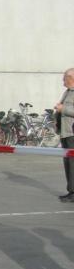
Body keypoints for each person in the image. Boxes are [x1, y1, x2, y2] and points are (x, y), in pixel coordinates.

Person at [55, 68, 74, 202]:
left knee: (72, 164)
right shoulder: (67, 92)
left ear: (71, 78)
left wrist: (63, 109)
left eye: (64, 78)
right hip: (65, 133)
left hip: (72, 133)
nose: (63, 81)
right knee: (68, 163)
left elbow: (68, 110)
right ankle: (71, 190)